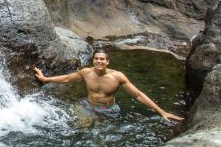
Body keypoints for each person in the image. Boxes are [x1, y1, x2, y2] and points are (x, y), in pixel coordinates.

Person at [33, 50, 184, 122]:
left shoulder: (117, 77)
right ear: (93, 61)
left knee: (102, 139)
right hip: (88, 106)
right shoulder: (86, 72)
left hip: (109, 110)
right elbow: (67, 79)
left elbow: (138, 95)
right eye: (96, 59)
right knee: (83, 130)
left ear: (107, 62)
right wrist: (46, 79)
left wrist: (161, 112)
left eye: (102, 59)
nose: (99, 61)